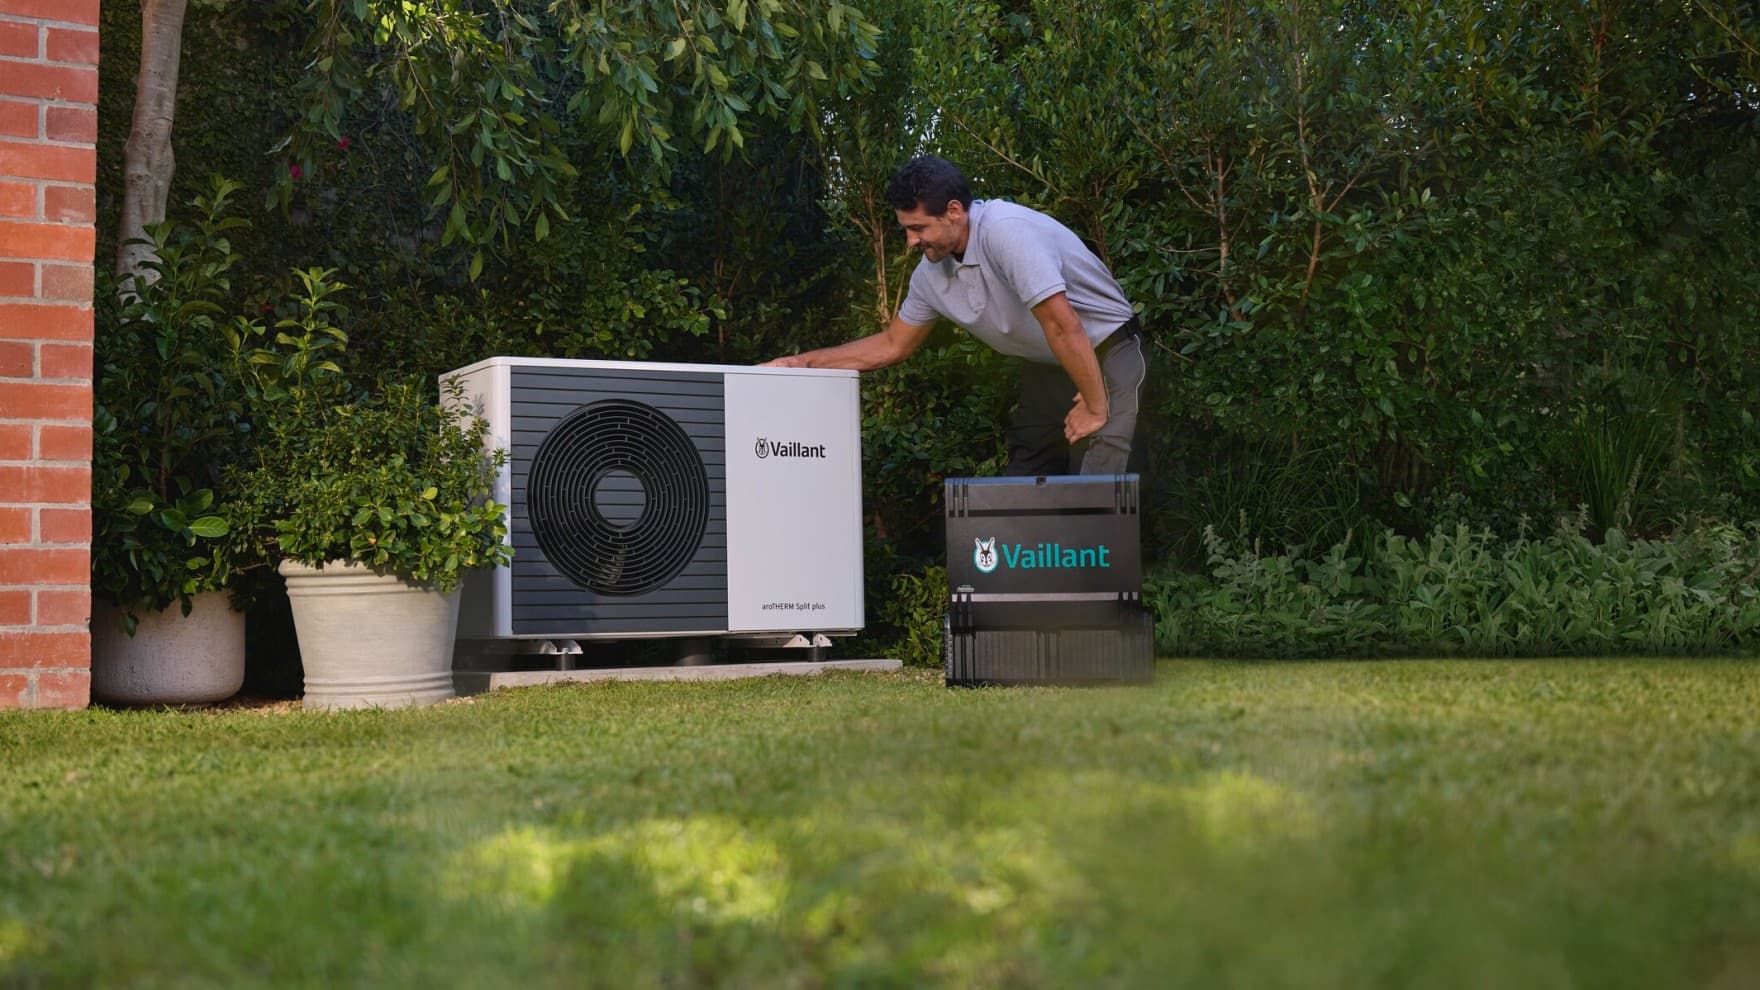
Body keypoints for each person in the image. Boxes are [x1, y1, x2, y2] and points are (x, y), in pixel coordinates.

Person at [763, 155, 1146, 476]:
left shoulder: (1006, 233)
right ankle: (1031, 568)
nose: (911, 241)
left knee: (1100, 480)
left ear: (953, 212)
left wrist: (1097, 407)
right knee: (1026, 481)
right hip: (1047, 364)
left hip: (1108, 350)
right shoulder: (930, 276)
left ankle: (1099, 566)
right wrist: (803, 363)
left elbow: (1063, 325)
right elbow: (892, 344)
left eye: (918, 228)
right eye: (906, 230)